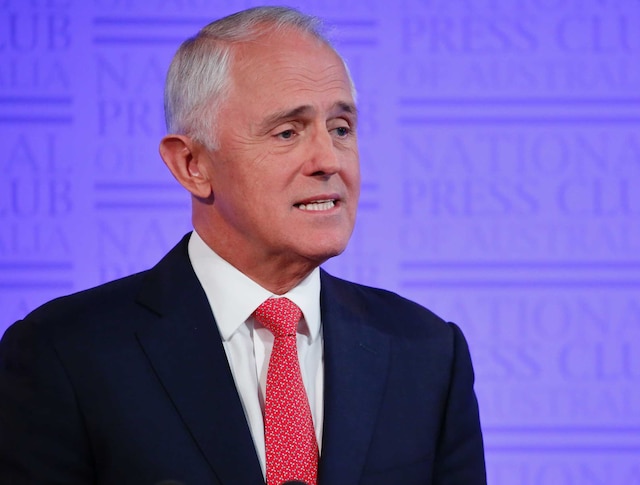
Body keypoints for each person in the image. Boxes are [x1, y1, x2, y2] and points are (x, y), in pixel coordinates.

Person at [0, 6, 486, 485]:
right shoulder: (65, 355)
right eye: (288, 132)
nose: (328, 159)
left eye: (341, 128)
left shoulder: (426, 353)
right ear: (192, 164)